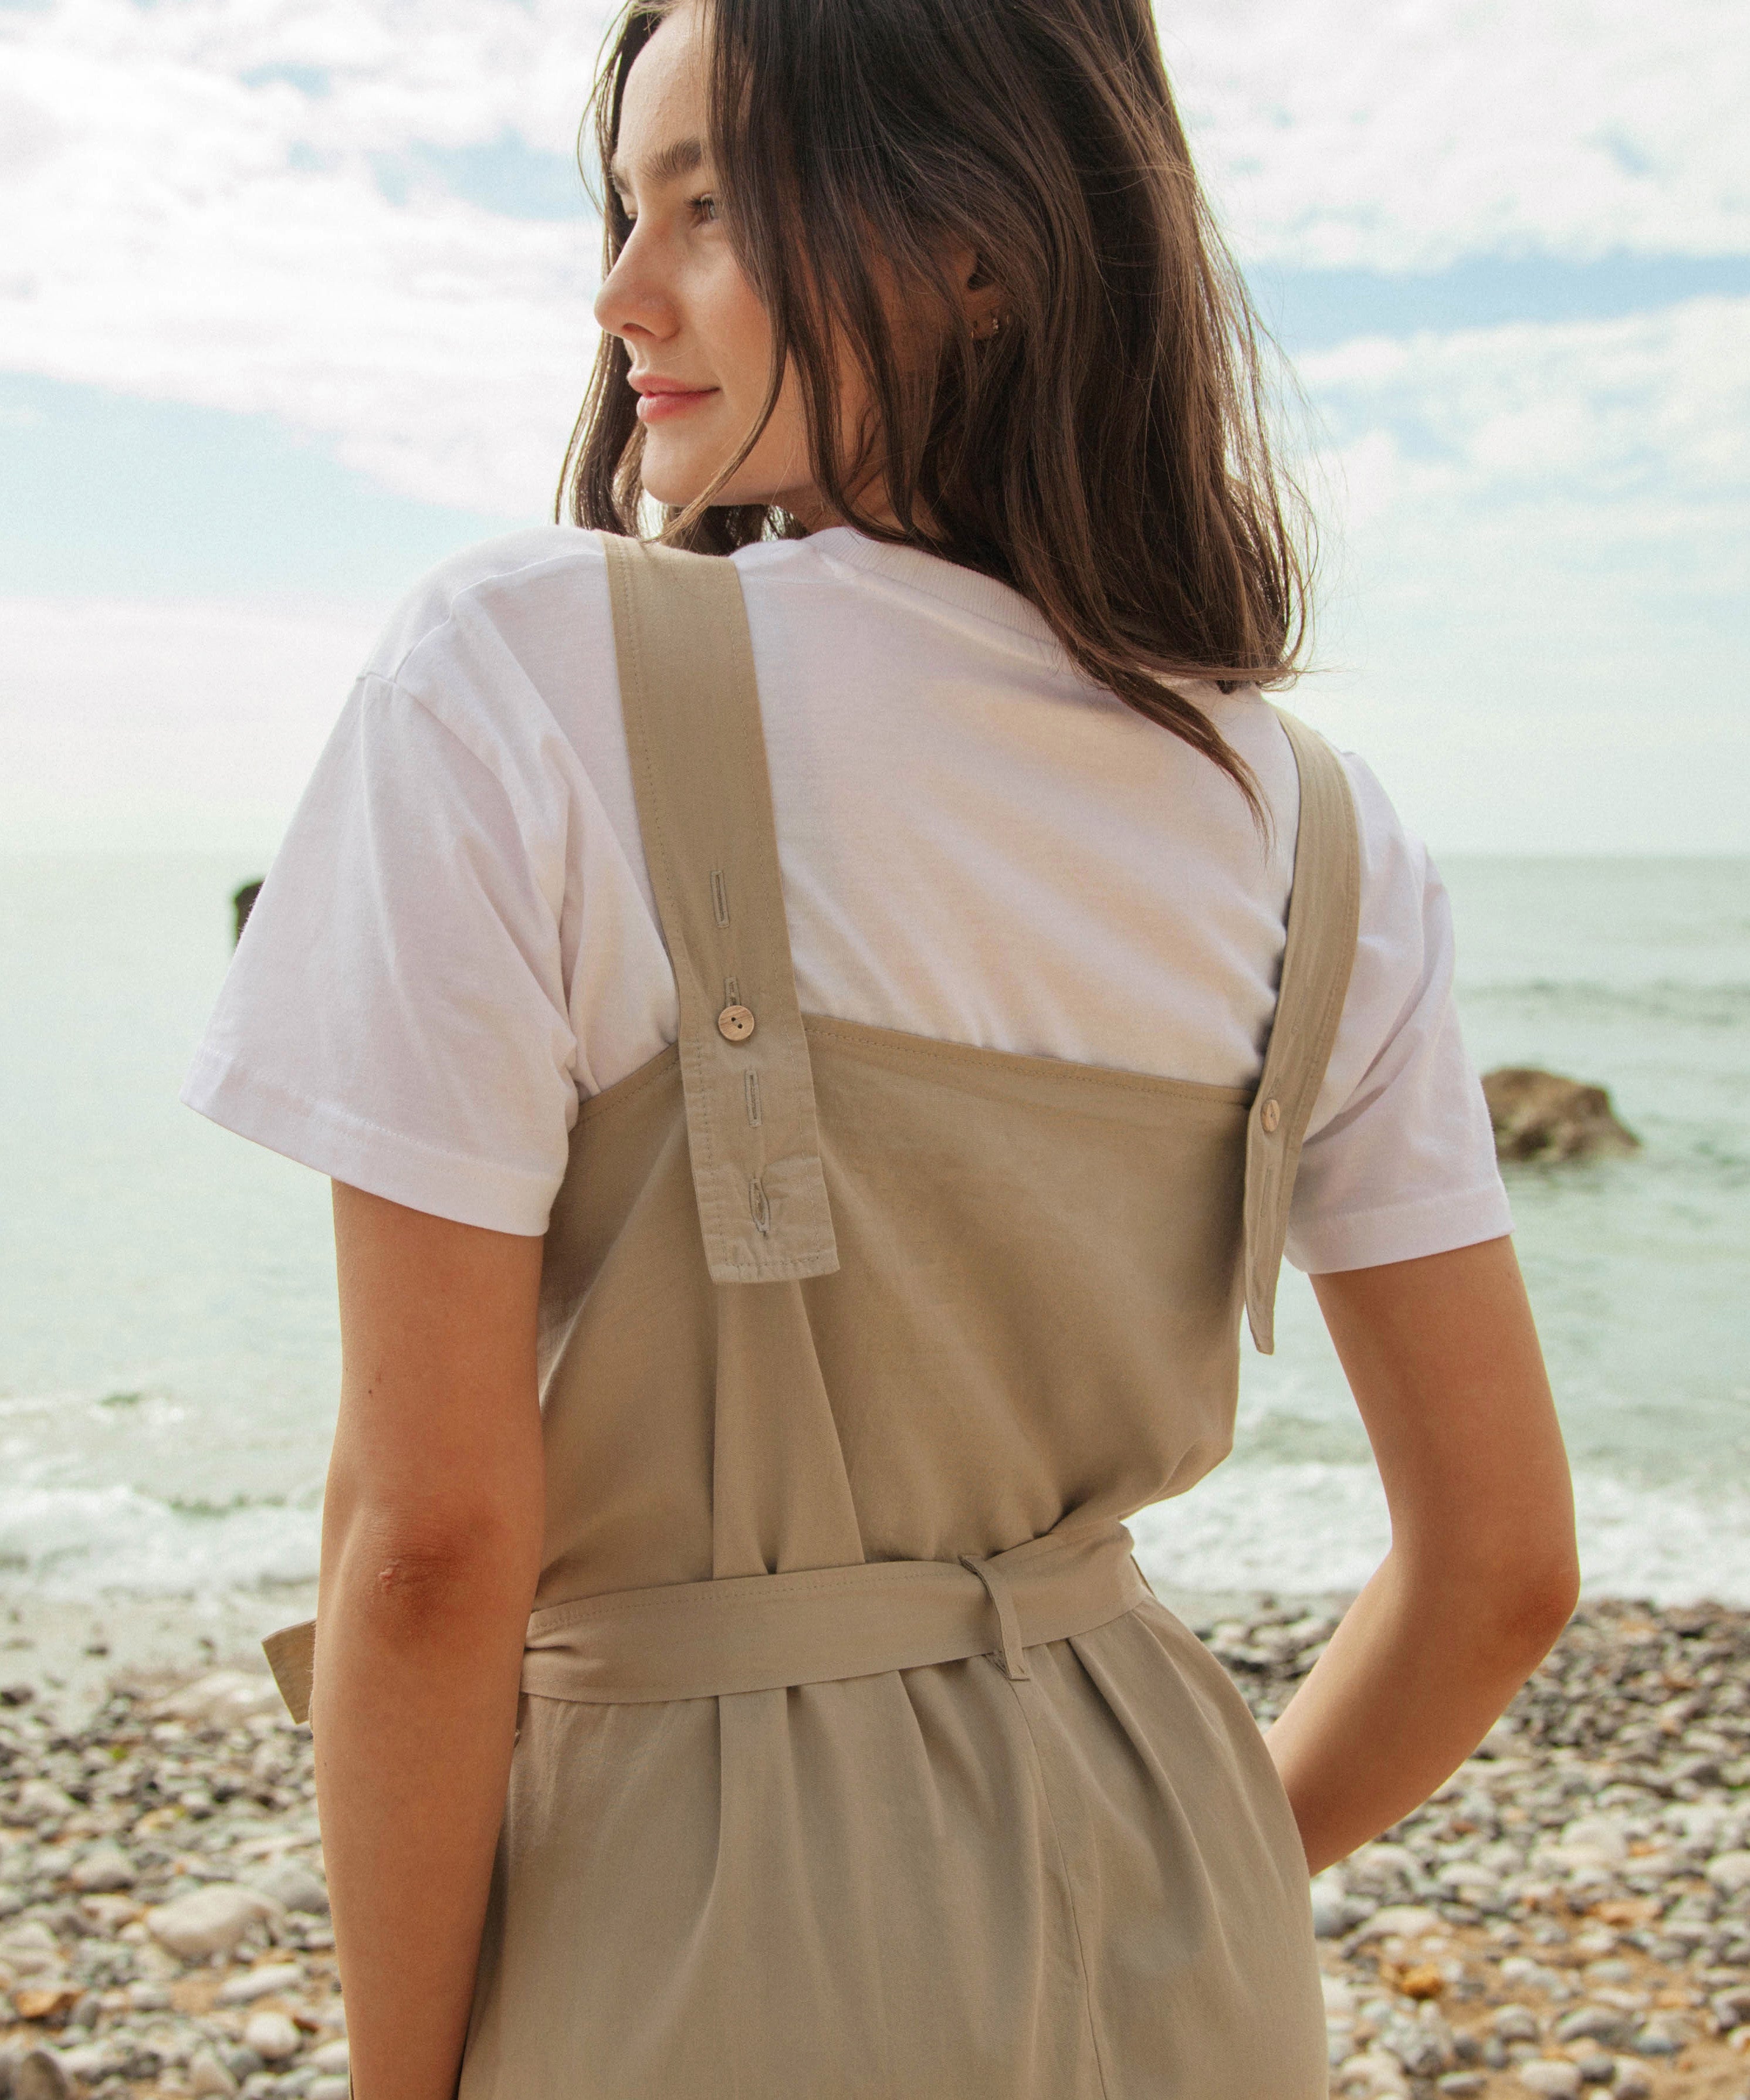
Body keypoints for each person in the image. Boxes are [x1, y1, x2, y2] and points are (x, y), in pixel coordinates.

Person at [182, 0, 1579, 2094]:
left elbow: (431, 1537)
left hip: (691, 1933)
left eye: (714, 207)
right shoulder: (1315, 828)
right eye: (624, 204)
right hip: (1176, 1940)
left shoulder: (519, 677)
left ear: (979, 251)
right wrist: (1193, 1850)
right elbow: (1502, 1565)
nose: (622, 290)